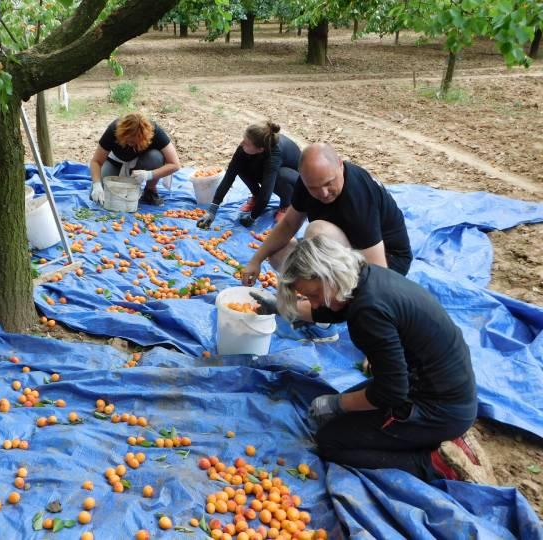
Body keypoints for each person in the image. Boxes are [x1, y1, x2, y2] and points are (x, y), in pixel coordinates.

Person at [253, 236, 494, 484]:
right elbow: (329, 308)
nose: (313, 302)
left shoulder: (368, 312)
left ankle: (434, 463)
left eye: (313, 294)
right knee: (343, 417)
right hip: (440, 389)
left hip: (438, 407)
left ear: (331, 275)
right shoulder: (364, 277)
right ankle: (433, 435)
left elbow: (390, 392)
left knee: (331, 441)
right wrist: (282, 308)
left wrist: (338, 403)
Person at [240, 143, 412, 342]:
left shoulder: (358, 197)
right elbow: (288, 224)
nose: (323, 193)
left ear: (340, 165)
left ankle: (324, 321)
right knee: (280, 252)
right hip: (340, 248)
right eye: (313, 187)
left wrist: (382, 337)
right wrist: (256, 259)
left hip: (387, 259)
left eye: (328, 183)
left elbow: (378, 273)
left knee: (317, 232)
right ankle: (316, 302)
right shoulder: (308, 182)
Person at [197, 121, 301, 229]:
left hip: (296, 179)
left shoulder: (274, 155)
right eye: (243, 140)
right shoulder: (245, 147)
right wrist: (212, 210)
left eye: (246, 143)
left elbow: (266, 192)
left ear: (260, 149)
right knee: (240, 166)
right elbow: (229, 176)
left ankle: (286, 205)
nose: (242, 144)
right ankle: (256, 196)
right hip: (267, 165)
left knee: (280, 175)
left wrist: (252, 217)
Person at [89, 113, 181, 207]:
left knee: (156, 157)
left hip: (142, 163)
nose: (131, 144)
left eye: (135, 142)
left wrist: (149, 174)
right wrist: (97, 184)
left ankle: (150, 190)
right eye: (128, 140)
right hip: (116, 161)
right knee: (97, 196)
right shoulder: (113, 129)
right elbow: (96, 161)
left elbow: (175, 164)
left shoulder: (155, 132)